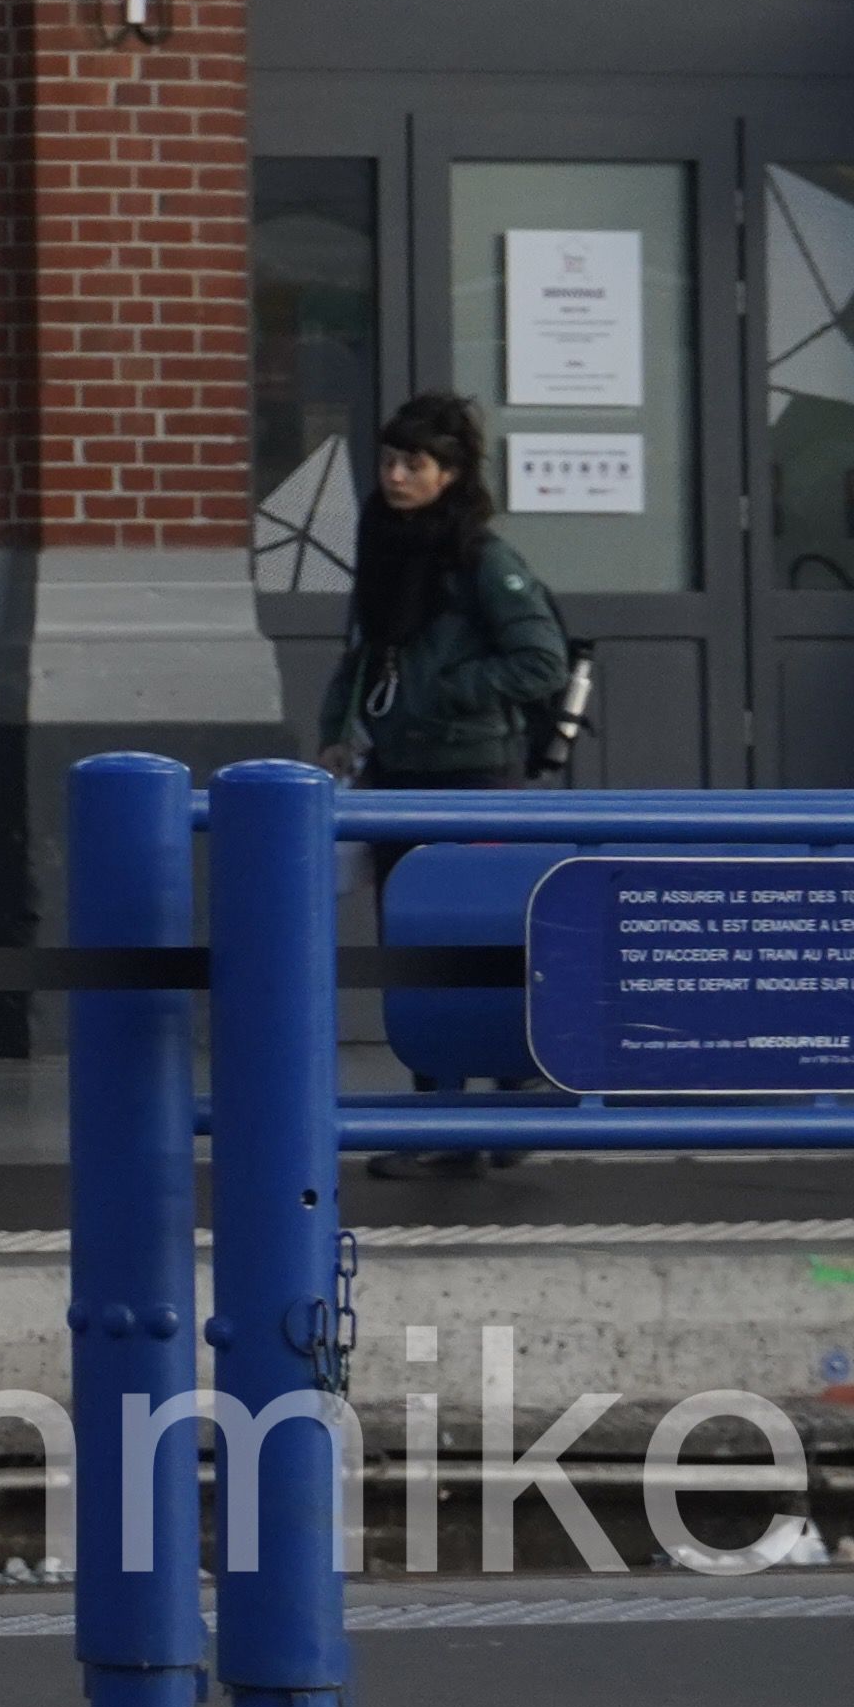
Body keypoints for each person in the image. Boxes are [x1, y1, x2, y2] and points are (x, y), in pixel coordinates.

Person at [324, 390, 570, 1184]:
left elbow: (541, 661)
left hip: (471, 775)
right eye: (389, 460)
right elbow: (363, 647)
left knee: (475, 942)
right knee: (414, 952)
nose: (395, 475)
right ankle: (441, 1115)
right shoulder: (384, 544)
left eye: (413, 463)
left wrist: (447, 687)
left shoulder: (480, 558)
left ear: (450, 473)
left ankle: (508, 1096)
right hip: (397, 776)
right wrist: (340, 724)